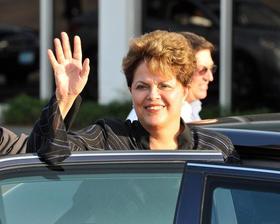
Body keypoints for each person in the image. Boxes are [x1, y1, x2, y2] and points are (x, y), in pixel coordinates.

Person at [26, 31, 239, 165]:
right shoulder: (110, 138)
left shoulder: (214, 149)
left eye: (164, 85)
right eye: (142, 86)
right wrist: (65, 98)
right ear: (130, 90)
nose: (153, 96)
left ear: (184, 89)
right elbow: (47, 154)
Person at [127, 31, 215, 122]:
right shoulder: (148, 117)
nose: (210, 77)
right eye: (203, 69)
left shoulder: (191, 110)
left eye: (211, 69)